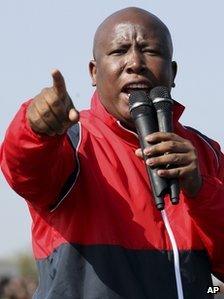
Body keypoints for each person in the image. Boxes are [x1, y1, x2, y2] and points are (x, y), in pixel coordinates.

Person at [1, 6, 224, 299]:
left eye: (150, 51)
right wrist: (34, 128)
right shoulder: (71, 139)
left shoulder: (206, 154)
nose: (135, 63)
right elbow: (24, 170)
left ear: (173, 72)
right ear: (94, 72)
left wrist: (201, 189)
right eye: (119, 51)